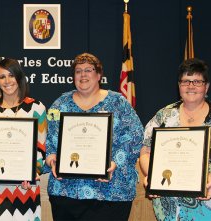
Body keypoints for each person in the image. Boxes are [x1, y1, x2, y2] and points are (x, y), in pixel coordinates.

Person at [139, 58, 211, 220]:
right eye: (185, 81)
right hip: (174, 208)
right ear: (179, 86)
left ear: (207, 87)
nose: (191, 86)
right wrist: (154, 175)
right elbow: (146, 152)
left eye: (197, 81)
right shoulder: (164, 116)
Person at [45, 52, 144, 220]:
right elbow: (51, 142)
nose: (83, 74)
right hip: (66, 193)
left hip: (110, 193)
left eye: (88, 70)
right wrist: (52, 158)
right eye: (78, 71)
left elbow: (136, 137)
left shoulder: (118, 103)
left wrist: (114, 162)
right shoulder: (59, 105)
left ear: (99, 75)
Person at [0, 58, 47, 220]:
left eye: (11, 75)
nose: (7, 81)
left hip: (24, 189)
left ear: (19, 77)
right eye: (2, 77)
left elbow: (40, 147)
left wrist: (33, 171)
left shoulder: (36, 108)